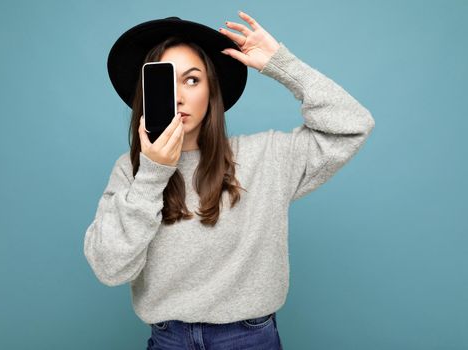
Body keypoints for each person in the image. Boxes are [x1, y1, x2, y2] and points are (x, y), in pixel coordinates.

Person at [84, 11, 375, 350]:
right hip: (169, 340)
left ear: (211, 90)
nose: (178, 96)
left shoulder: (266, 156)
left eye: (192, 80)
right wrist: (152, 173)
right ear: (145, 94)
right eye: (165, 82)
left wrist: (282, 65)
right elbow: (109, 268)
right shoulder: (130, 170)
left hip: (249, 338)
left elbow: (353, 124)